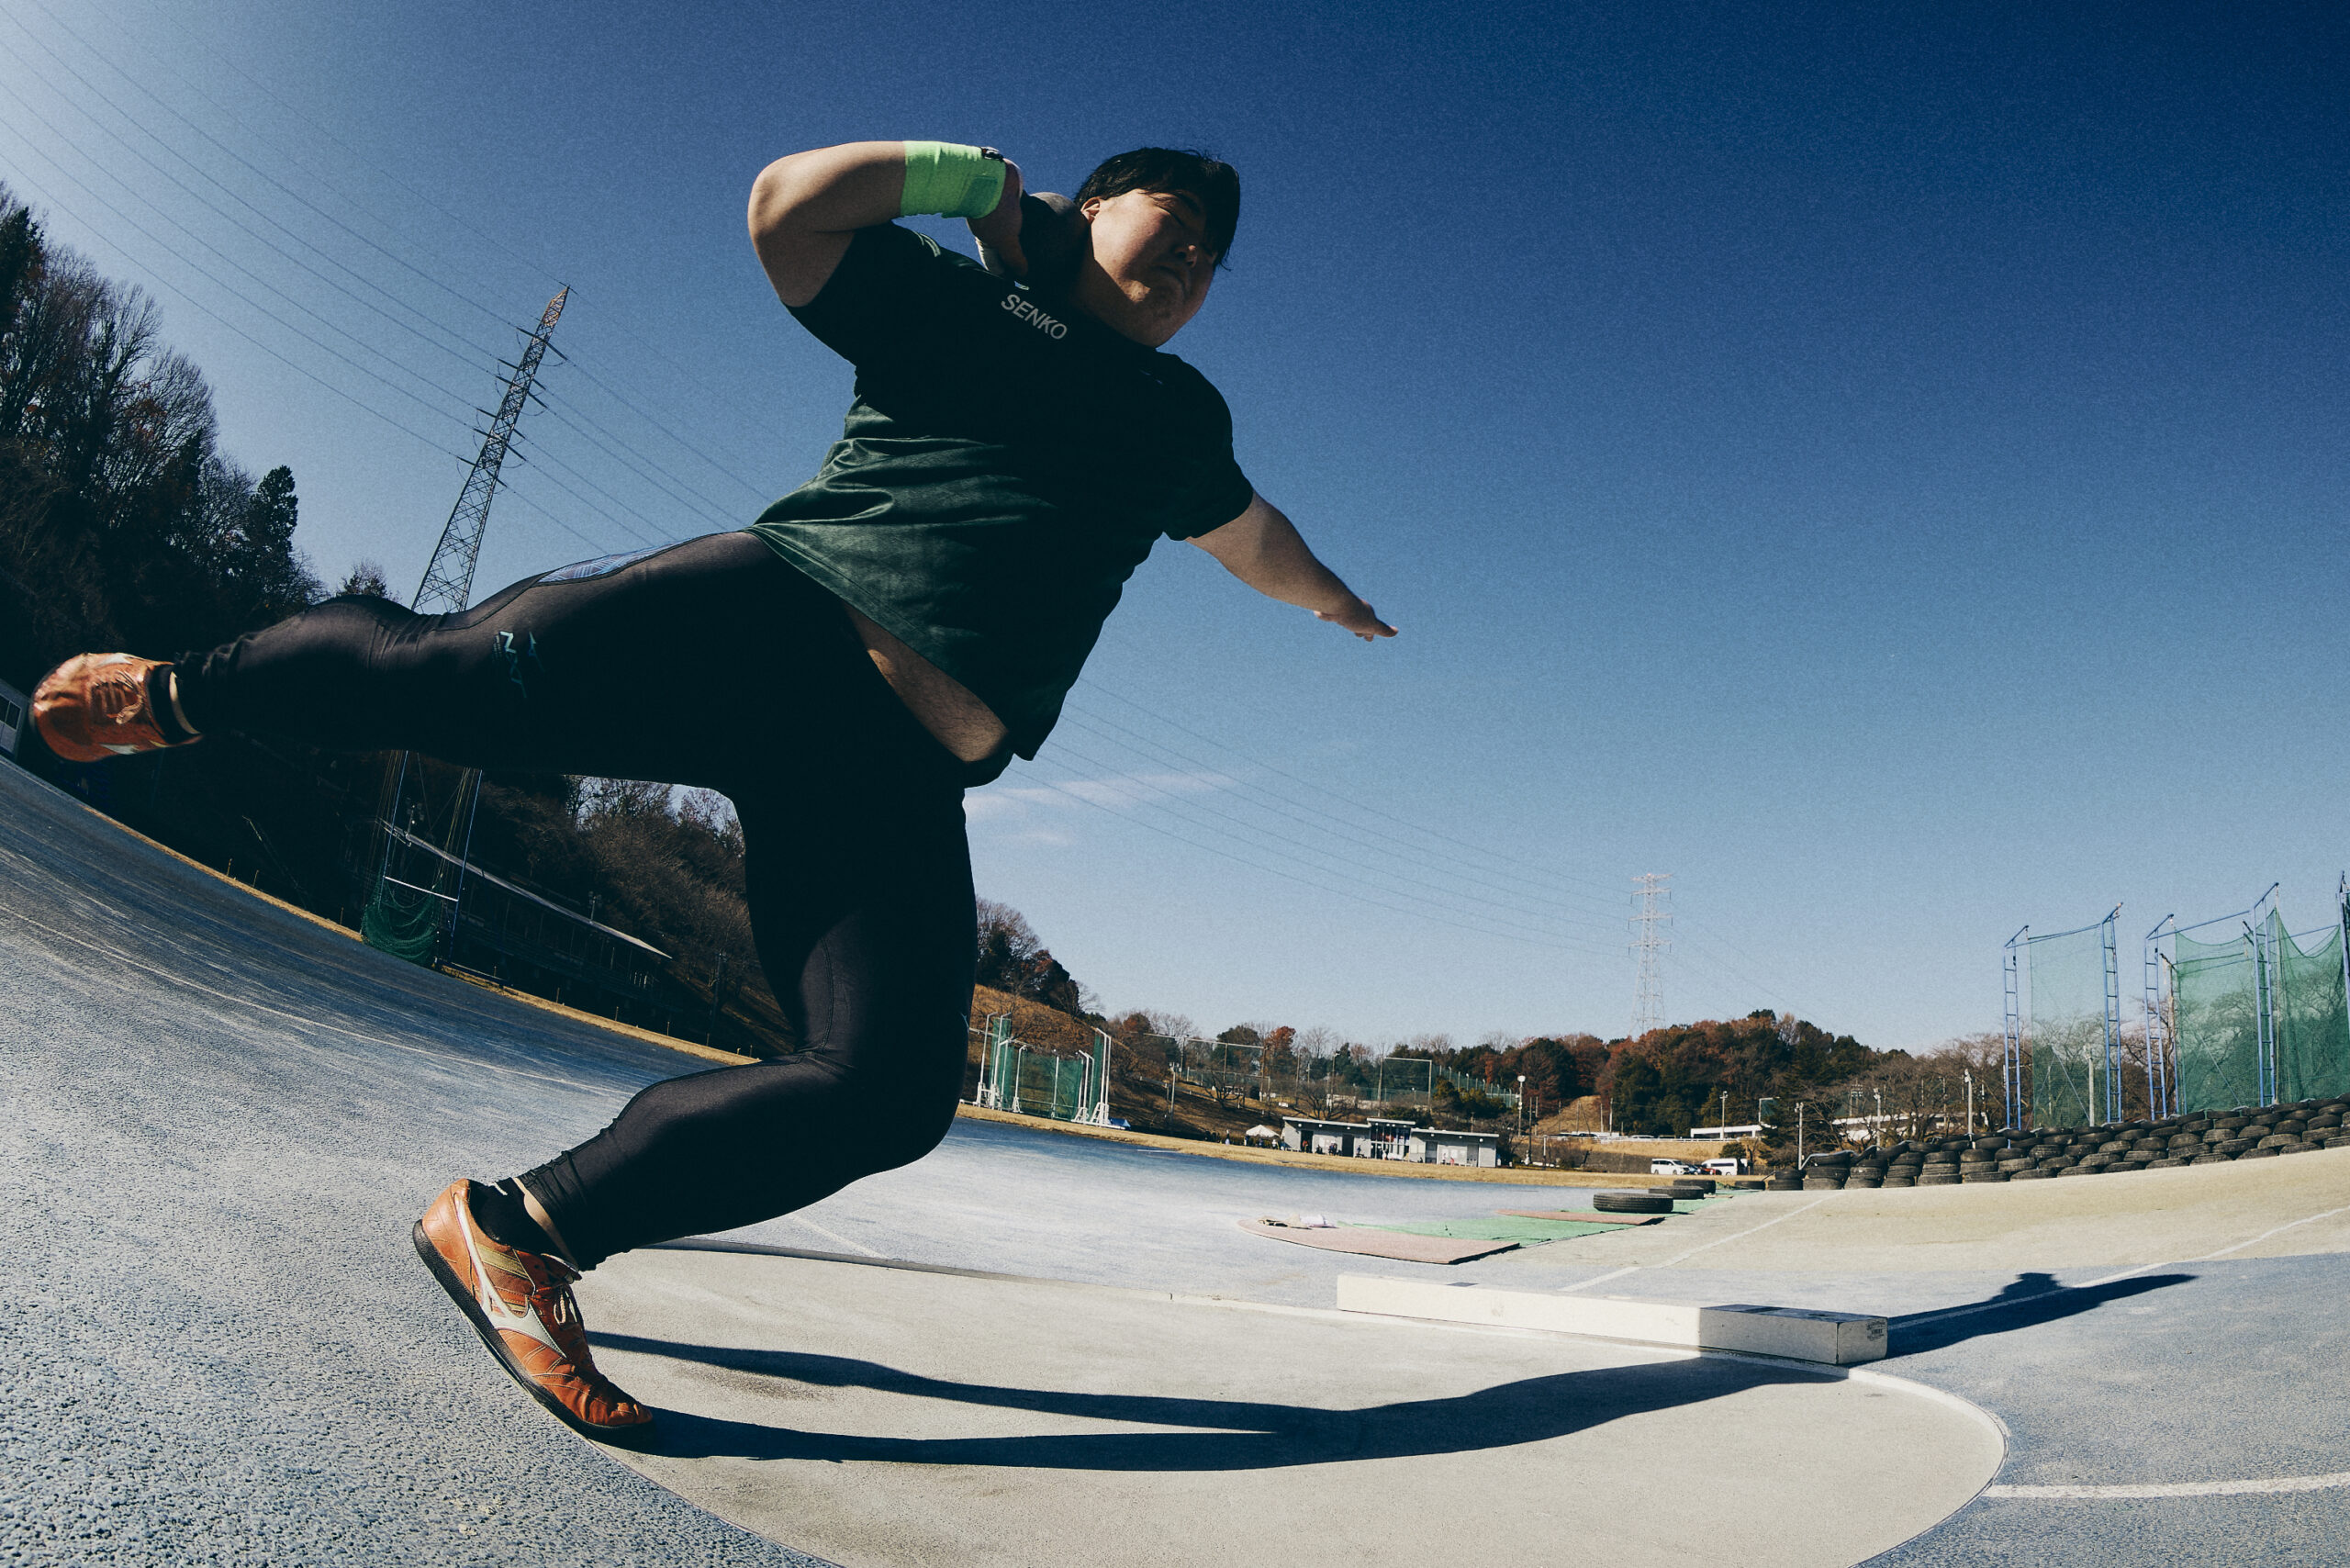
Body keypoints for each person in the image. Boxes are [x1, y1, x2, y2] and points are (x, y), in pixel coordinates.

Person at [31, 140, 1394, 1440]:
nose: (1198, 257)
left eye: (1217, 256)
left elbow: (1249, 534)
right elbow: (785, 208)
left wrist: (1328, 595)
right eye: (1174, 220)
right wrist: (973, 185)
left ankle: (520, 1229)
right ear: (1085, 213)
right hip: (770, 633)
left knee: (884, 1090)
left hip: (892, 776)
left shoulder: (1178, 417)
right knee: (444, 681)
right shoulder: (965, 307)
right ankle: (178, 694)